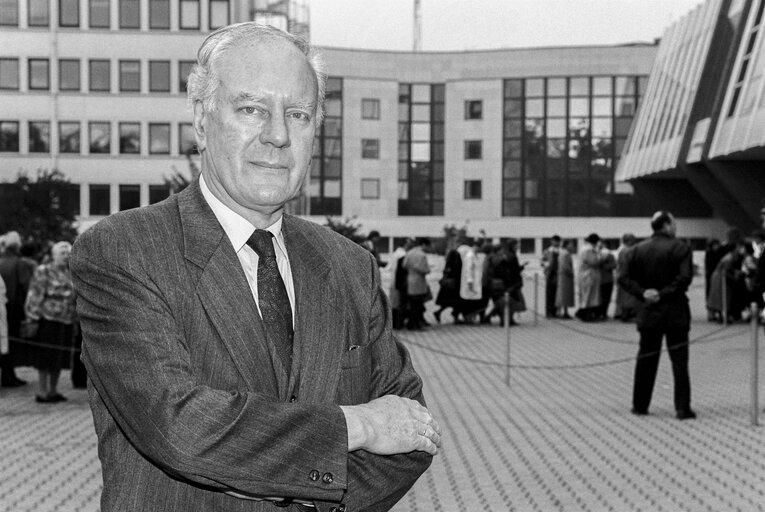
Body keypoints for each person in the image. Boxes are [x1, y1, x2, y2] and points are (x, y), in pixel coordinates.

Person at [70, 23, 440, 512]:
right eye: (251, 109)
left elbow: (411, 431)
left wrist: (285, 478)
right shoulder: (124, 252)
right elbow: (181, 429)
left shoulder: (351, 266)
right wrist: (358, 425)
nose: (278, 135)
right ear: (202, 120)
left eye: (298, 114)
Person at [618, 211, 695, 420]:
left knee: (646, 360)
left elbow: (623, 278)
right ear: (667, 225)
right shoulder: (681, 248)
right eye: (674, 223)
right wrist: (663, 294)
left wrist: (643, 293)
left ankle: (640, 405)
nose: (676, 227)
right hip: (675, 313)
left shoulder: (635, 250)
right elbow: (684, 278)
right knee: (679, 362)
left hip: (648, 312)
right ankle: (682, 408)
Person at [23, 241, 77, 403]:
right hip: (47, 321)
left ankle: (53, 391)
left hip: (66, 321)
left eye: (68, 253)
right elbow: (34, 295)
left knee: (59, 358)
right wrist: (32, 317)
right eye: (61, 253)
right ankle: (42, 392)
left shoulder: (71, 272)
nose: (65, 256)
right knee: (45, 358)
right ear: (53, 255)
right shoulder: (44, 271)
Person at [0, 231, 36, 387]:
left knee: (5, 342)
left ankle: (9, 374)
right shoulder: (19, 263)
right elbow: (27, 287)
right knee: (10, 342)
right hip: (14, 308)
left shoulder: (2, 261)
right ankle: (9, 375)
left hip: (6, 306)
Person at [402, 237, 432, 330]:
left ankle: (411, 323)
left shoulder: (410, 252)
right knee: (418, 304)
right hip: (419, 282)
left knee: (412, 304)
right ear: (423, 245)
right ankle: (415, 324)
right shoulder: (422, 255)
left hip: (410, 279)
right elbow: (425, 270)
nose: (428, 248)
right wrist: (428, 269)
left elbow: (404, 265)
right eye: (428, 246)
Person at [433, 243, 463, 324]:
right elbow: (457, 269)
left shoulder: (451, 255)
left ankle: (443, 313)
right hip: (454, 284)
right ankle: (454, 316)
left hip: (449, 284)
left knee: (450, 302)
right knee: (455, 301)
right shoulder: (455, 255)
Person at [575, 233, 602, 322]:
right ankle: (587, 316)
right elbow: (594, 262)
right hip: (588, 275)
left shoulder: (584, 248)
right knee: (589, 296)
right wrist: (599, 256)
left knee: (585, 295)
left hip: (584, 274)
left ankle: (582, 313)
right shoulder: (589, 249)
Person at [614, 233, 638, 322]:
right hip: (627, 276)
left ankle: (623, 313)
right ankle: (625, 315)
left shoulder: (623, 250)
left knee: (624, 297)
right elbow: (627, 264)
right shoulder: (626, 251)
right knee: (627, 297)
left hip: (624, 276)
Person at [555, 239, 575, 319]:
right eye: (571, 244)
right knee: (564, 295)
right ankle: (564, 312)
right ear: (567, 245)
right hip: (565, 277)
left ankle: (564, 311)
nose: (572, 246)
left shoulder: (563, 253)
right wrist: (571, 273)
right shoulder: (565, 253)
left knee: (564, 295)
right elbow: (565, 266)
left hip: (564, 276)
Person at [541, 235, 561, 318]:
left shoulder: (561, 251)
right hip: (550, 273)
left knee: (557, 293)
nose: (555, 242)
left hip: (559, 273)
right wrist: (547, 266)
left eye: (557, 241)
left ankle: (556, 312)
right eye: (553, 241)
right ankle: (549, 312)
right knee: (549, 293)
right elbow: (542, 261)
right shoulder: (548, 251)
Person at [596, 241, 616, 320]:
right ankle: (602, 313)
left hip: (605, 279)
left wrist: (603, 265)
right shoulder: (598, 255)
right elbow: (614, 265)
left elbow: (614, 265)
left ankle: (603, 313)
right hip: (605, 280)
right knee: (604, 297)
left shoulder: (608, 255)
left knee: (604, 298)